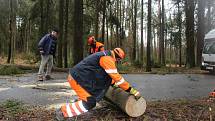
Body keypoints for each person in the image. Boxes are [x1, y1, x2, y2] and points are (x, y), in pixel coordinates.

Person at [56, 48, 141, 120]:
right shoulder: (107, 59)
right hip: (78, 79)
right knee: (90, 102)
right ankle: (63, 112)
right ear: (118, 58)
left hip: (79, 78)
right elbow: (117, 77)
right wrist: (131, 90)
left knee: (89, 97)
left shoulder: (105, 55)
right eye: (118, 60)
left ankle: (74, 106)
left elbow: (106, 75)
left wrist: (113, 84)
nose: (117, 62)